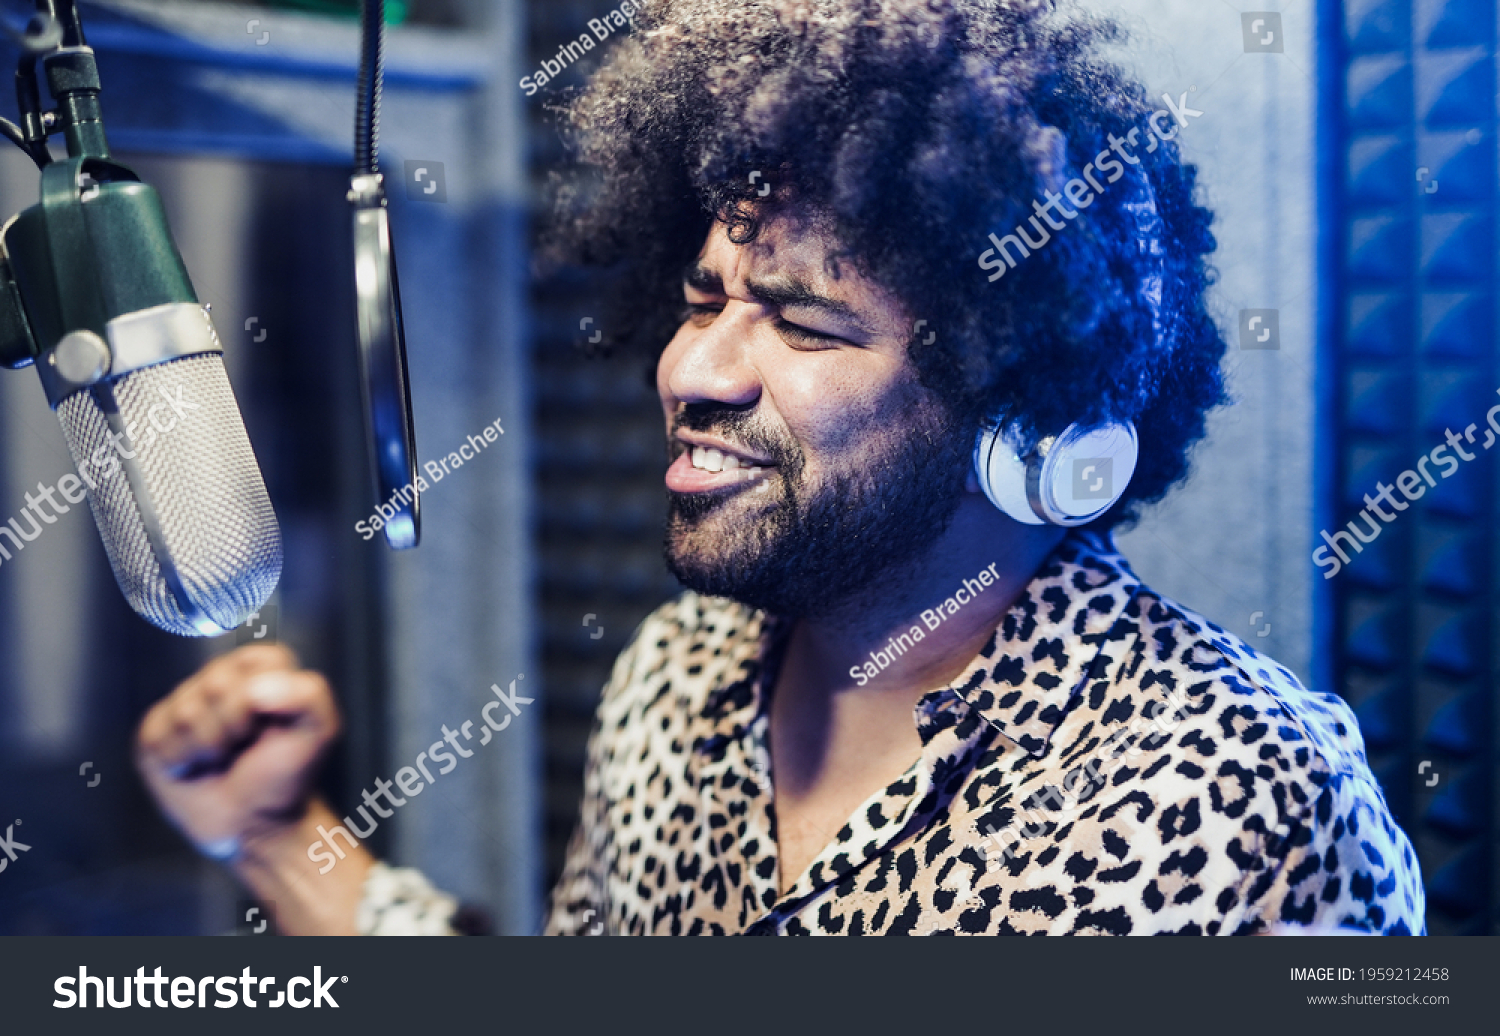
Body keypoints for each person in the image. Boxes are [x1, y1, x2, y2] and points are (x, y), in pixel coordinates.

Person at [135, 0, 1424, 935]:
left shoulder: (1239, 786)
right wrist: (269, 833)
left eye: (805, 322)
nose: (692, 374)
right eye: (704, 302)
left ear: (1024, 406)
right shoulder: (671, 680)